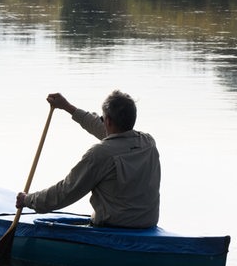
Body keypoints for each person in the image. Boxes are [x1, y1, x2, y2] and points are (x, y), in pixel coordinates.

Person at [15, 91, 161, 229]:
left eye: (103, 119)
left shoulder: (100, 153)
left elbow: (65, 192)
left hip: (114, 228)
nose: (102, 122)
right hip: (147, 223)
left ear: (108, 121)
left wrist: (28, 200)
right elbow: (103, 129)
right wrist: (67, 107)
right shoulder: (148, 142)